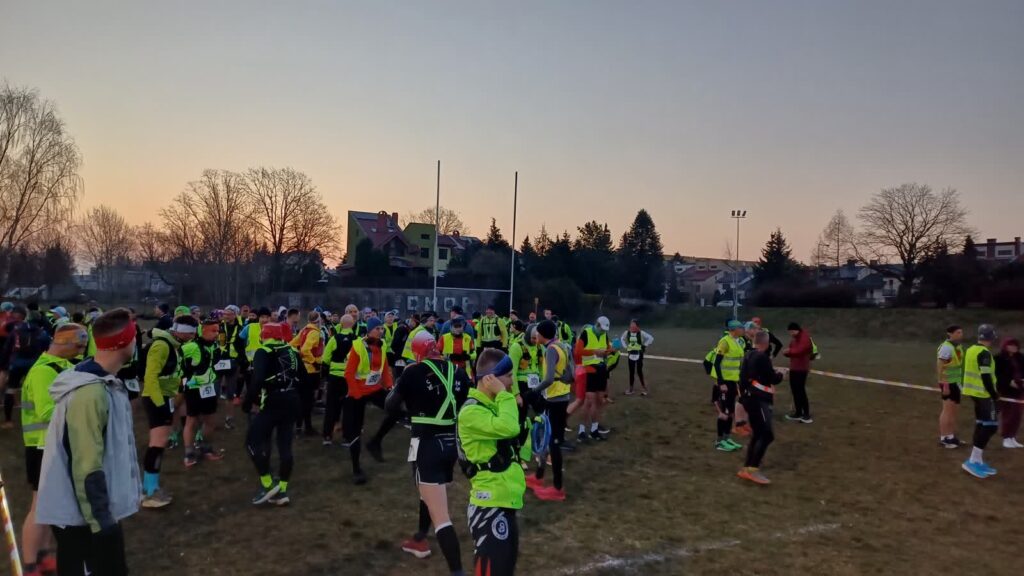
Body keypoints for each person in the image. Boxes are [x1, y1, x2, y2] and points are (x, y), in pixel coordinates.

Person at [36, 309, 141, 576]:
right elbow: (86, 465)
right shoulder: (89, 393)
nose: (136, 342)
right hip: (84, 521)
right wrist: (102, 524)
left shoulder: (105, 383)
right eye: (134, 337)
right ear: (123, 342)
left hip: (97, 514)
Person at [386, 331, 470, 574]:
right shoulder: (459, 372)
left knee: (441, 515)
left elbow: (390, 404)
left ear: (417, 353)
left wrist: (408, 411)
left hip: (424, 443)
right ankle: (420, 536)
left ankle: (456, 570)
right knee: (429, 491)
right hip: (450, 443)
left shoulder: (413, 371)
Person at [20, 323, 88, 576]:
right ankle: (30, 564)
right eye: (78, 346)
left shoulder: (65, 366)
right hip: (40, 446)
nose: (81, 351)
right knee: (39, 505)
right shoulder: (43, 371)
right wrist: (83, 408)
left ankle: (45, 555)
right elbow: (46, 411)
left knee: (53, 505)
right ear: (63, 342)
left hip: (57, 445)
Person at [458, 349, 525, 576]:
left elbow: (511, 434)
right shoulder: (471, 412)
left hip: (503, 500)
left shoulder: (490, 404)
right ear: (491, 379)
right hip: (489, 507)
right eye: (508, 376)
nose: (512, 381)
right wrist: (505, 395)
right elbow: (508, 427)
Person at [140, 314, 198, 508]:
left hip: (165, 397)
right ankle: (150, 492)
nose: (193, 336)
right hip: (157, 398)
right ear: (180, 331)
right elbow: (150, 377)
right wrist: (160, 404)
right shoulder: (162, 346)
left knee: (159, 443)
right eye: (191, 333)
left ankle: (150, 488)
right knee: (157, 444)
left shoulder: (173, 345)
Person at [245, 322, 300, 506]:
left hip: (272, 402)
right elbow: (304, 378)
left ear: (264, 335)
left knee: (251, 442)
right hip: (292, 400)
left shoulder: (263, 351)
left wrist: (248, 402)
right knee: (285, 446)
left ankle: (268, 484)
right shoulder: (291, 350)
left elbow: (258, 379)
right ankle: (282, 490)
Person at [343, 317, 401, 484]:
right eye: (377, 329)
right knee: (355, 430)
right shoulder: (358, 346)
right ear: (369, 330)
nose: (381, 331)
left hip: (374, 389)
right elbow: (349, 373)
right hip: (357, 392)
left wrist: (389, 387)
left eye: (382, 329)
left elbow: (384, 369)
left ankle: (375, 442)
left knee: (395, 411)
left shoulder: (381, 346)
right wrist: (356, 394)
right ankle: (356, 469)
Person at [526, 320, 575, 501]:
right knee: (546, 438)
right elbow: (570, 372)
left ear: (542, 335)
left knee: (554, 443)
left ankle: (557, 488)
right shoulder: (562, 345)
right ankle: (538, 476)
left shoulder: (551, 350)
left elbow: (548, 379)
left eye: (537, 333)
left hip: (555, 399)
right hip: (558, 396)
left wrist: (534, 391)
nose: (535, 336)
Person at [737, 332, 786, 485]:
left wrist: (743, 398)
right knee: (766, 434)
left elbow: (743, 379)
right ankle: (752, 469)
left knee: (758, 434)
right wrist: (781, 375)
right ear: (766, 343)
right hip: (759, 400)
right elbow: (772, 379)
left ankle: (747, 469)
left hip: (750, 399)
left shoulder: (748, 355)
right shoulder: (762, 357)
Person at [181, 320, 226, 467]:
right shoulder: (192, 346)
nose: (216, 334)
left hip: (209, 387)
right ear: (203, 331)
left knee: (210, 421)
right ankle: (189, 453)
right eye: (213, 331)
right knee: (191, 421)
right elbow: (175, 356)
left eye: (217, 330)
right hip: (193, 388)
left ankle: (206, 448)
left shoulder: (214, 346)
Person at [961, 324, 1000, 479]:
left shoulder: (971, 349)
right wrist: (994, 394)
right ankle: (973, 460)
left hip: (973, 392)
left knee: (982, 424)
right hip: (984, 394)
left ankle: (977, 459)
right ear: (991, 337)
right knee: (990, 426)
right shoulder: (984, 353)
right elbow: (985, 376)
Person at [1, 306, 50, 428]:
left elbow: (7, 349)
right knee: (35, 391)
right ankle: (37, 417)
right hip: (35, 365)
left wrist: (4, 365)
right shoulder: (43, 333)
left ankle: (8, 421)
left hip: (16, 364)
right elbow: (47, 351)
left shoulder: (16, 331)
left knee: (10, 389)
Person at [574, 316, 613, 441]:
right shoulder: (586, 333)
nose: (603, 332)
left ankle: (594, 430)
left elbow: (607, 349)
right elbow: (578, 351)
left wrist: (610, 350)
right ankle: (581, 431)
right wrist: (594, 352)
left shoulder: (604, 334)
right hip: (589, 369)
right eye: (602, 329)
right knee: (589, 401)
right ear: (597, 325)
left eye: (605, 330)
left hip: (601, 369)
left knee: (599, 400)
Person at [710, 320, 745, 452]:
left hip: (734, 381)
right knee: (724, 413)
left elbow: (737, 362)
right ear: (734, 329)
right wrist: (721, 382)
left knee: (730, 412)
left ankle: (727, 438)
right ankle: (719, 442)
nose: (743, 330)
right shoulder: (725, 342)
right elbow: (717, 363)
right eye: (741, 328)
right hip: (725, 382)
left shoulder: (737, 341)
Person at [321, 314, 356, 445]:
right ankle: (347, 437)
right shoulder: (357, 340)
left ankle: (327, 436)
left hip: (335, 377)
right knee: (348, 408)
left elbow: (325, 359)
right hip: (349, 378)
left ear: (341, 325)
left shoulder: (334, 339)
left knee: (331, 406)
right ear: (352, 325)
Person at [291, 311, 324, 436]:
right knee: (308, 400)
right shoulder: (315, 332)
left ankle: (299, 427)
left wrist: (298, 356)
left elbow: (292, 344)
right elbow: (305, 349)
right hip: (311, 370)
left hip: (301, 369)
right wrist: (313, 362)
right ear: (318, 321)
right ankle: (308, 428)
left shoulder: (304, 330)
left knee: (301, 399)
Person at [935, 325, 966, 447]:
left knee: (953, 411)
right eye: (958, 332)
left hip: (956, 381)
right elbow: (941, 367)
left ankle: (951, 436)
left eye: (961, 332)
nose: (960, 334)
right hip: (947, 382)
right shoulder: (946, 348)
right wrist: (945, 385)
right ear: (950, 334)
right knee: (947, 410)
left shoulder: (957, 346)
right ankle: (944, 438)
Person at [218, 305, 247, 430]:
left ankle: (229, 419)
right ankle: (208, 420)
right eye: (224, 313)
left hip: (233, 363)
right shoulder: (218, 327)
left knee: (230, 394)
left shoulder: (241, 329)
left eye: (229, 314)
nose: (226, 316)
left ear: (235, 315)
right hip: (218, 362)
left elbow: (243, 348)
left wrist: (241, 364)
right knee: (213, 392)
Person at [995, 337, 1024, 449]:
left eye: (1015, 345)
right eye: (1011, 345)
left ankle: (1012, 437)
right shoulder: (998, 358)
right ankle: (1006, 438)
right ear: (1005, 346)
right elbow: (997, 375)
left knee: (1017, 415)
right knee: (1008, 414)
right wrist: (1008, 382)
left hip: (1019, 390)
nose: (1014, 347)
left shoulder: (1020, 357)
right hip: (1006, 391)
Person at [783, 322, 814, 424]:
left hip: (801, 369)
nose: (790, 334)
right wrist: (787, 353)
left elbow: (800, 350)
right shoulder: (795, 339)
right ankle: (798, 412)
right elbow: (792, 351)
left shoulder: (805, 338)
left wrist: (789, 351)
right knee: (795, 390)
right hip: (794, 367)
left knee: (800, 391)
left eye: (791, 332)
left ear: (795, 330)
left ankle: (806, 414)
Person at [619, 319, 654, 396]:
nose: (632, 327)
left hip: (639, 354)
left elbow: (651, 338)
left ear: (638, 326)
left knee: (639, 371)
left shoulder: (641, 333)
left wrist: (644, 345)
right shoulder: (627, 333)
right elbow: (622, 339)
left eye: (634, 325)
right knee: (631, 372)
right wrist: (626, 347)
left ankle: (644, 389)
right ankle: (631, 389)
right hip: (631, 354)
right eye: (631, 325)